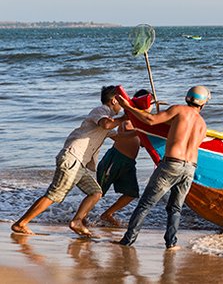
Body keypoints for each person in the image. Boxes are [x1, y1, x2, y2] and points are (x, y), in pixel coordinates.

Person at [12, 86, 126, 237]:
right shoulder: (101, 110)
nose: (123, 106)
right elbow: (106, 124)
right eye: (121, 102)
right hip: (72, 157)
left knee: (96, 193)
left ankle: (77, 221)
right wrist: (124, 118)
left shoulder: (109, 118)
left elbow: (120, 137)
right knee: (55, 194)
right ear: (113, 100)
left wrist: (143, 127)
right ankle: (21, 224)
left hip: (79, 163)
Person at [116, 85, 210, 250]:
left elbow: (151, 121)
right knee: (175, 207)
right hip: (190, 168)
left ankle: (127, 241)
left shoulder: (178, 110)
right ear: (203, 104)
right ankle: (171, 243)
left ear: (187, 98)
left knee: (145, 204)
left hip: (171, 164)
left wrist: (127, 107)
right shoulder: (203, 125)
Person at [97, 89, 154, 226]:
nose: (151, 107)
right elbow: (123, 133)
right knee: (98, 192)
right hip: (116, 159)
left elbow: (140, 143)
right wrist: (139, 131)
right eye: (150, 103)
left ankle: (107, 214)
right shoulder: (129, 118)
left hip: (129, 163)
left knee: (131, 193)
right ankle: (81, 216)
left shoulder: (142, 121)